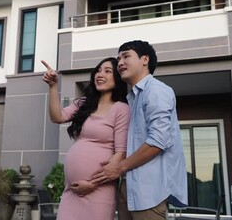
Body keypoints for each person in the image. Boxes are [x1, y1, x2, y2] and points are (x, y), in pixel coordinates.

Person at [92, 40, 188, 220]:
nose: (120, 63)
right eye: (118, 58)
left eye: (126, 56)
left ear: (145, 60)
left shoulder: (156, 91)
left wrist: (119, 168)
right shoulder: (132, 99)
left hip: (149, 192)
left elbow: (158, 141)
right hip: (129, 188)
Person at [41, 57, 129, 220]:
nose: (100, 74)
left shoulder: (121, 109)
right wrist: (53, 86)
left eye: (107, 71)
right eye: (99, 70)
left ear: (117, 79)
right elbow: (57, 117)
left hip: (99, 191)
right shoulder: (83, 104)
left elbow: (120, 153)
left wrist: (92, 184)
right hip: (71, 192)